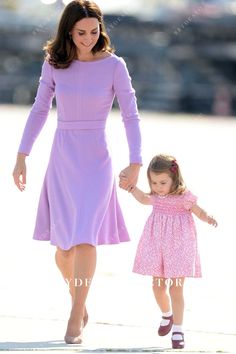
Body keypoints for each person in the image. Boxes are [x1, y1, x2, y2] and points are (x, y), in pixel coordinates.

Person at [12, 0, 142, 345]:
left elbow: (130, 114)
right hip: (63, 157)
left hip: (97, 159)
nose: (88, 38)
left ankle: (75, 313)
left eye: (94, 31)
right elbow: (40, 109)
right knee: (63, 248)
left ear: (101, 29)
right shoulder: (55, 64)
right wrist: (22, 154)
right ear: (68, 32)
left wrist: (136, 161)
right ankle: (77, 298)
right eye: (81, 33)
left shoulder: (114, 65)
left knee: (86, 237)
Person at [121, 154, 217, 349]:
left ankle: (179, 330)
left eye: (163, 182)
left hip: (179, 246)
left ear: (175, 178)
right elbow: (143, 198)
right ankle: (167, 315)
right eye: (154, 182)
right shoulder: (156, 197)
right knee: (157, 286)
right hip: (156, 244)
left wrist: (207, 217)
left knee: (176, 288)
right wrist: (131, 187)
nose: (158, 186)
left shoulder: (184, 197)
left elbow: (197, 210)